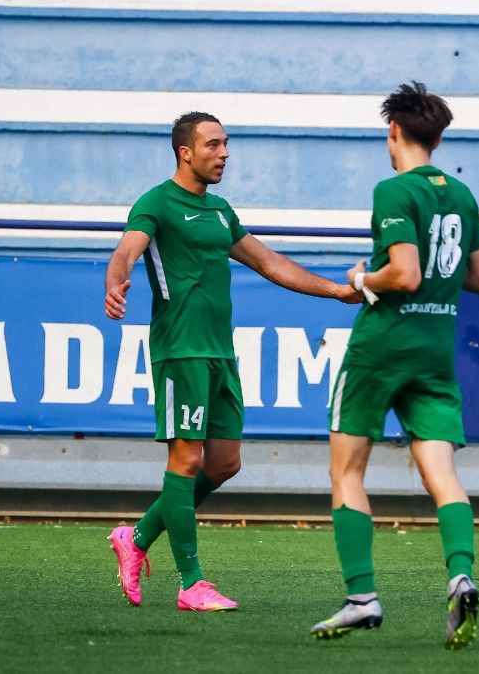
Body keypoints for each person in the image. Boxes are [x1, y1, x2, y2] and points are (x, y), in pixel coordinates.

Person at [103, 111, 360, 612]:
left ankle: (134, 539)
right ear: (186, 151)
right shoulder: (157, 203)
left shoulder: (221, 211)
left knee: (224, 464)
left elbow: (268, 262)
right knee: (185, 459)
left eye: (226, 144)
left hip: (221, 353)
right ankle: (191, 583)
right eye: (214, 145)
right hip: (181, 351)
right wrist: (115, 283)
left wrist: (334, 291)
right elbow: (127, 250)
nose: (224, 153)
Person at [309, 82, 479, 649]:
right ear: (437, 137)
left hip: (383, 344)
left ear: (394, 131)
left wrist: (361, 279)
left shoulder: (393, 190)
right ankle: (460, 575)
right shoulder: (461, 196)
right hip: (435, 347)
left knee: (347, 471)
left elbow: (406, 274)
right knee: (441, 473)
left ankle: (361, 598)